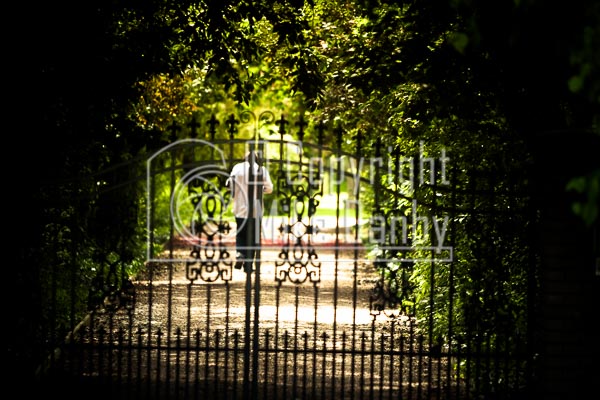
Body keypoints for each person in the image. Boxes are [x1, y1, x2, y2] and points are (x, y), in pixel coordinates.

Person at [227, 150, 273, 272]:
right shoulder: (261, 170)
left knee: (241, 233)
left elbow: (229, 184)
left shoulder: (237, 168)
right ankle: (248, 266)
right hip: (255, 210)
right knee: (253, 238)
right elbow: (269, 188)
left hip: (239, 207)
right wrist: (260, 189)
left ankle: (240, 254)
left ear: (244, 158)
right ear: (256, 159)